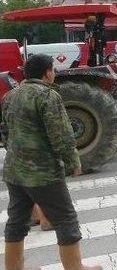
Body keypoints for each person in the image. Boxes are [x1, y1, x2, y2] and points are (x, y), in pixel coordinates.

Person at [0, 54, 102, 270]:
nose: (54, 73)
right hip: (42, 172)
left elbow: (5, 131)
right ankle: (76, 268)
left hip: (14, 170)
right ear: (47, 72)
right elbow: (61, 134)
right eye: (53, 69)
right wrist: (73, 160)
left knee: (17, 221)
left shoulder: (11, 96)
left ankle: (14, 268)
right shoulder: (47, 96)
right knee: (66, 220)